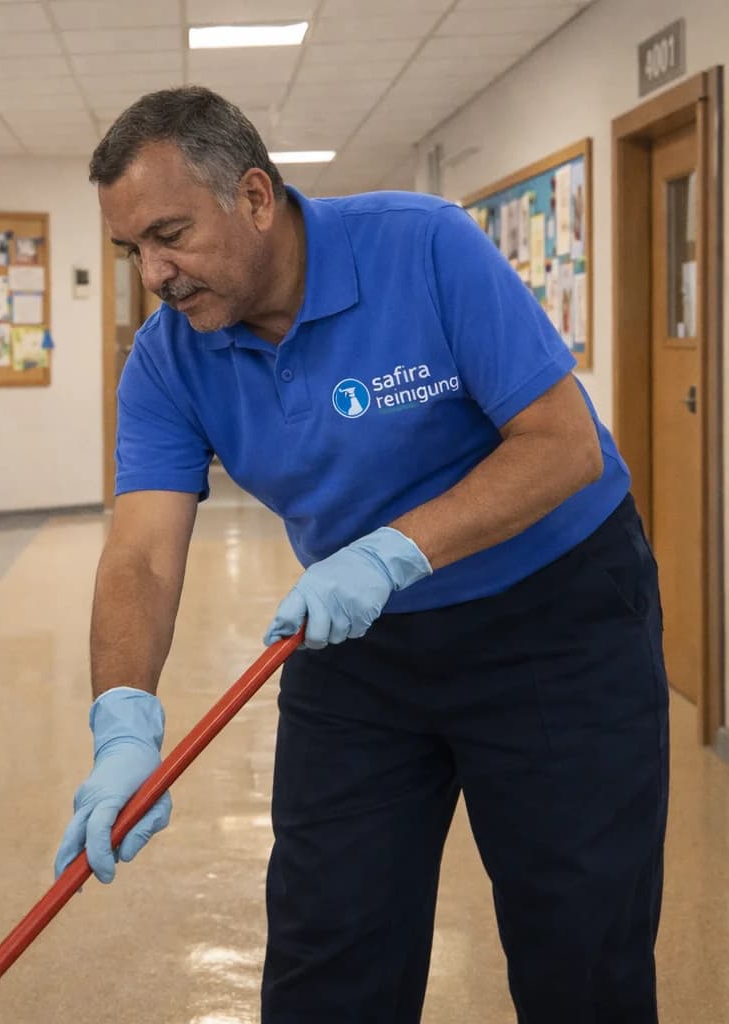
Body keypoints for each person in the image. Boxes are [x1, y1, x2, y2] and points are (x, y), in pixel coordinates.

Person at [53, 86, 668, 1023]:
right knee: (328, 951)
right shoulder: (168, 359)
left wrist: (392, 552)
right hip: (362, 648)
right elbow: (141, 554)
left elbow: (563, 446)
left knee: (578, 947)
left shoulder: (422, 246)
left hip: (557, 620)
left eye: (169, 234)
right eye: (132, 249)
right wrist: (124, 720)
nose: (154, 274)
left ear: (254, 196)